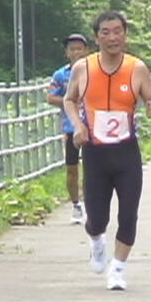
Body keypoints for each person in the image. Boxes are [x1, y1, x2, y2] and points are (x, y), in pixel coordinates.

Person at [63, 10, 151, 290]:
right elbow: (69, 100)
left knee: (128, 214)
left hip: (126, 152)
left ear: (125, 35)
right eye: (105, 33)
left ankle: (117, 269)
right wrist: (78, 126)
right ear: (97, 38)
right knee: (97, 219)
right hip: (95, 152)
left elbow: (150, 97)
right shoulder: (83, 68)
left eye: (118, 31)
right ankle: (96, 241)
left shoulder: (136, 68)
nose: (112, 38)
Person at [47, 33, 90, 224]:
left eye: (79, 48)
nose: (76, 52)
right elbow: (50, 97)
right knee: (72, 168)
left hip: (92, 126)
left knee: (92, 168)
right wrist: (69, 101)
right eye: (72, 49)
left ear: (86, 50)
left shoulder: (95, 71)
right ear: (67, 53)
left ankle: (91, 203)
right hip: (70, 126)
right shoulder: (60, 75)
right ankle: (76, 205)